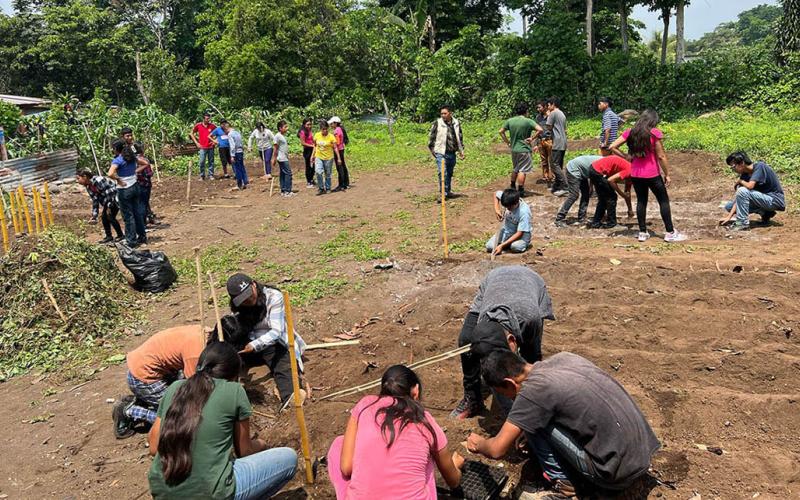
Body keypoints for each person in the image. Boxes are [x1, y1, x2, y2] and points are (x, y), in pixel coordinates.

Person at [466, 350, 660, 497]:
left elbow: (497, 450)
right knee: (534, 418)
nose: (509, 399)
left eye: (505, 394)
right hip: (642, 455)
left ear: (509, 383)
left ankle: (564, 486)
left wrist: (480, 443)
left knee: (532, 422)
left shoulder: (533, 392)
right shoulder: (565, 358)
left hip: (615, 474)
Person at [147, 342, 298, 499]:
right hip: (211, 493)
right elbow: (244, 452)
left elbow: (153, 446)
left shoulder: (175, 388)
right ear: (233, 374)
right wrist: (263, 444)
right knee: (289, 458)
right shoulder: (234, 390)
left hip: (162, 491)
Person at [327, 365, 464, 499]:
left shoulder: (365, 405)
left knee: (339, 444)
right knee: (426, 459)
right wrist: (455, 466)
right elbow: (453, 481)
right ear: (415, 391)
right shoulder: (424, 420)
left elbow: (346, 467)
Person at [451, 265, 554, 419]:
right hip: (494, 280)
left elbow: (532, 358)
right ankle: (472, 399)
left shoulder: (530, 320)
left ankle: (534, 399)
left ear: (512, 341)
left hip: (530, 282)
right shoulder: (483, 320)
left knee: (530, 356)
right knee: (466, 340)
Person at [113, 317, 243, 439]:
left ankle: (145, 400)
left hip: (159, 368)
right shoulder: (196, 354)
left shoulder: (207, 332)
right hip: (143, 376)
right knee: (180, 420)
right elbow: (197, 389)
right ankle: (128, 410)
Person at [227, 273, 307, 411]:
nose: (249, 300)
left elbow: (276, 332)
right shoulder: (240, 307)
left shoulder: (274, 297)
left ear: (254, 285)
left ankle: (290, 397)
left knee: (283, 364)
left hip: (272, 343)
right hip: (249, 341)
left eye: (249, 294)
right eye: (243, 299)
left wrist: (254, 345)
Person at [609, 110, 687, 243]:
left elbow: (612, 146)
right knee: (663, 201)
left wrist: (627, 157)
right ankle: (670, 232)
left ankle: (642, 232)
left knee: (641, 201)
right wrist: (667, 174)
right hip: (652, 174)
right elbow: (661, 156)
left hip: (636, 174)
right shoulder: (653, 133)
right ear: (653, 121)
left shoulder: (630, 132)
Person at [719, 151, 785, 231]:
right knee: (729, 206)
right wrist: (729, 217)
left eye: (733, 166)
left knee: (742, 190)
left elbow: (750, 186)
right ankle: (765, 213)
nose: (733, 169)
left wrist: (740, 181)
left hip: (774, 200)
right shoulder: (745, 175)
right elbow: (740, 199)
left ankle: (742, 223)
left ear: (742, 163)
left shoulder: (760, 167)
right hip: (762, 200)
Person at [108, 140, 149, 247]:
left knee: (128, 216)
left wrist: (119, 180)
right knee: (137, 213)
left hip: (124, 189)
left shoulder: (118, 160)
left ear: (116, 149)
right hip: (135, 186)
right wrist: (135, 172)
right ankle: (142, 237)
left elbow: (110, 173)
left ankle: (131, 241)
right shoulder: (132, 157)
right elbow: (145, 163)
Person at [500, 102, 540, 198]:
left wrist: (508, 142)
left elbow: (501, 131)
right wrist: (532, 138)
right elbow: (540, 129)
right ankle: (521, 190)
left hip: (514, 149)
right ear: (526, 111)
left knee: (516, 168)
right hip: (524, 149)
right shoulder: (528, 121)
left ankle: (512, 186)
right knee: (523, 170)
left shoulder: (510, 121)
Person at [76, 169, 124, 244]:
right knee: (104, 217)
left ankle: (120, 235)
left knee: (110, 216)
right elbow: (95, 201)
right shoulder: (89, 187)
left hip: (114, 198)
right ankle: (109, 236)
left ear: (85, 177)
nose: (78, 181)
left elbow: (110, 192)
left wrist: (108, 207)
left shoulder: (99, 180)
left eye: (78, 178)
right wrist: (94, 216)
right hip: (107, 200)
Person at [428, 105, 465, 200]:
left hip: (452, 153)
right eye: (441, 114)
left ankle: (447, 191)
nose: (443, 115)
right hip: (441, 152)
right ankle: (443, 193)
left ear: (450, 113)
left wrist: (461, 150)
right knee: (442, 173)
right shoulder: (437, 123)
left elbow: (459, 137)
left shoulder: (456, 123)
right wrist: (432, 149)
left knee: (449, 173)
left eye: (445, 113)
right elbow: (432, 137)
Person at [121, 128, 157, 225]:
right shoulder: (122, 148)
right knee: (139, 200)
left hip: (139, 175)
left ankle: (147, 217)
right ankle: (143, 219)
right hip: (130, 176)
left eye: (131, 135)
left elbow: (139, 157)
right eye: (127, 136)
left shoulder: (133, 147)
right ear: (123, 137)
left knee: (143, 198)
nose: (130, 137)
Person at [554, 155, 602, 227]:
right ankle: (559, 218)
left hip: (583, 170)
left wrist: (591, 187)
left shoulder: (605, 162)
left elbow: (594, 174)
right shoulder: (604, 163)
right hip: (573, 169)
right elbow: (595, 174)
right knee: (574, 195)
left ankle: (582, 217)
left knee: (586, 194)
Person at [587, 155, 634, 229]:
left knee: (603, 199)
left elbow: (627, 193)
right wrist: (622, 194)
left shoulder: (631, 176)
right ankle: (612, 223)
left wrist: (630, 209)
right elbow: (611, 180)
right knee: (612, 197)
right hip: (597, 171)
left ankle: (596, 222)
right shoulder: (630, 171)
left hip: (594, 169)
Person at [486, 189, 532, 256]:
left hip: (521, 235)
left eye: (509, 207)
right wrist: (497, 210)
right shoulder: (507, 197)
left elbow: (520, 233)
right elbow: (496, 193)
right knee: (490, 246)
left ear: (516, 202)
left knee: (516, 247)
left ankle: (512, 244)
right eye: (506, 207)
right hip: (507, 230)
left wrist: (501, 246)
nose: (507, 209)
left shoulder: (524, 212)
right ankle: (507, 244)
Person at [545, 97, 568, 196]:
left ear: (553, 104)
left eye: (548, 105)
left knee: (554, 165)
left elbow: (548, 126)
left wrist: (548, 116)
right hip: (563, 141)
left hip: (557, 142)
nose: (547, 107)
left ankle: (565, 187)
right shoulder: (561, 113)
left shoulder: (553, 113)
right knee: (559, 165)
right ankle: (557, 186)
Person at [311, 120, 340, 195]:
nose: (325, 131)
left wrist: (338, 158)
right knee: (318, 172)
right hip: (319, 156)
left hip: (328, 158)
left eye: (326, 129)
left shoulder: (331, 136)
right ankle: (321, 188)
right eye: (323, 129)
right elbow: (315, 146)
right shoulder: (317, 135)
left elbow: (335, 147)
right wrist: (312, 156)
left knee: (328, 173)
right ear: (320, 129)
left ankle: (328, 188)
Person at [190, 112, 216, 180]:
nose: (208, 120)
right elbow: (191, 133)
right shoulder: (198, 125)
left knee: (211, 161)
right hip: (202, 147)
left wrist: (215, 141)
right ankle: (202, 175)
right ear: (203, 118)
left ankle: (211, 175)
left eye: (209, 118)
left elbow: (219, 132)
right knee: (201, 162)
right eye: (207, 119)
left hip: (210, 147)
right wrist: (196, 143)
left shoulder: (212, 126)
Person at [532, 101, 553, 184]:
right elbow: (537, 131)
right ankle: (545, 176)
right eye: (537, 108)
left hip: (549, 140)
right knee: (543, 160)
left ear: (545, 107)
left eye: (539, 107)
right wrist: (535, 144)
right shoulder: (538, 117)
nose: (538, 109)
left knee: (552, 159)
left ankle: (554, 176)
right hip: (541, 141)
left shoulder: (551, 116)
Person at [272, 120, 293, 197]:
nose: (287, 128)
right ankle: (287, 191)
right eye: (285, 127)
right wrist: (274, 158)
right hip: (281, 158)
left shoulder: (282, 136)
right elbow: (275, 148)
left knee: (283, 174)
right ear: (280, 128)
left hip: (284, 157)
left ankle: (283, 190)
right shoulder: (277, 136)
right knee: (288, 173)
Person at [225, 122, 248, 190]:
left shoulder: (230, 134)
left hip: (236, 153)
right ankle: (245, 182)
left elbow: (232, 146)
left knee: (237, 169)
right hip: (240, 151)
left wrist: (232, 155)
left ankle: (240, 184)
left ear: (226, 128)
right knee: (242, 167)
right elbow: (241, 142)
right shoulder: (237, 132)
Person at [329, 116, 350, 191]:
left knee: (340, 167)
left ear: (335, 123)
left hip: (338, 150)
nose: (331, 125)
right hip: (341, 149)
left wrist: (330, 144)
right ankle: (346, 183)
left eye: (331, 124)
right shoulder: (340, 129)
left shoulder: (336, 131)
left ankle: (341, 184)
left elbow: (337, 142)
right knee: (343, 166)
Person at [298, 118, 316, 188]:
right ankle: (309, 181)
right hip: (307, 150)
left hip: (312, 149)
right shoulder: (302, 132)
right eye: (308, 124)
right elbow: (303, 143)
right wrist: (312, 145)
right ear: (304, 125)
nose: (309, 126)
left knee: (313, 166)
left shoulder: (309, 131)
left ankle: (311, 179)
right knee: (308, 166)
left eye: (310, 124)